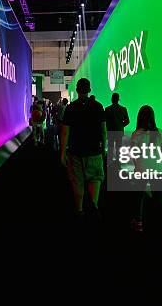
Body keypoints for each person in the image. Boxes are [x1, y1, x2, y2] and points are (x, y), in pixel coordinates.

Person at [130, 105, 162, 247]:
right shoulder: (160, 133)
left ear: (139, 118)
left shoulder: (136, 134)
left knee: (138, 196)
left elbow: (134, 155)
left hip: (142, 169)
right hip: (158, 169)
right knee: (158, 201)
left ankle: (138, 223)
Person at [60, 78, 107, 219]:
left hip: (75, 152)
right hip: (94, 151)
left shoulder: (71, 108)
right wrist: (104, 148)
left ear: (77, 90)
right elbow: (103, 131)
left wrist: (62, 153)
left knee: (77, 181)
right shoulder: (98, 107)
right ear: (89, 90)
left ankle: (79, 209)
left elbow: (65, 132)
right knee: (95, 178)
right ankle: (94, 205)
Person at [105, 93, 130, 168]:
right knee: (118, 148)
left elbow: (104, 121)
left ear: (112, 99)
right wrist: (121, 126)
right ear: (118, 99)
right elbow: (127, 121)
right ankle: (118, 165)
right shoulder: (123, 109)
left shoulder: (107, 109)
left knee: (110, 148)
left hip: (110, 132)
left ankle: (109, 164)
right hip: (119, 132)